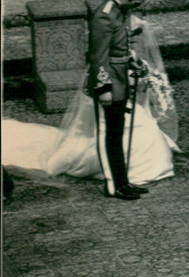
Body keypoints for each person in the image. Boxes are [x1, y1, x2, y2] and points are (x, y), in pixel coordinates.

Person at [1, 13, 179, 189]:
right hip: (109, 107)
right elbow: (94, 88)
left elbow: (138, 81)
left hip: (127, 107)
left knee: (144, 129)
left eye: (133, 38)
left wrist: (145, 78)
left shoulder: (132, 56)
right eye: (128, 38)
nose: (132, 42)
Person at [89, 0, 157, 199]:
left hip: (121, 78)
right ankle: (113, 185)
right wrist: (103, 88)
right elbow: (98, 57)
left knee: (118, 132)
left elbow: (120, 47)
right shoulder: (104, 15)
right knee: (108, 133)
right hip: (109, 82)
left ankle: (123, 181)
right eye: (136, 3)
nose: (137, 8)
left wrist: (132, 61)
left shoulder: (121, 11)